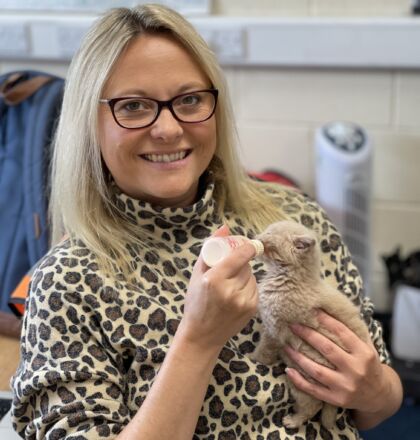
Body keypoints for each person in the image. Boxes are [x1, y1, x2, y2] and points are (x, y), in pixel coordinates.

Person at [11, 4, 402, 439]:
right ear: (90, 121)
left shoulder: (296, 221)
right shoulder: (67, 282)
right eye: (135, 106)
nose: (168, 128)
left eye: (190, 99)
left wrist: (375, 390)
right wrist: (198, 339)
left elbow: (378, 404)